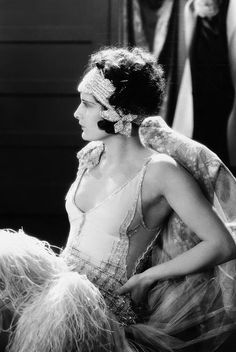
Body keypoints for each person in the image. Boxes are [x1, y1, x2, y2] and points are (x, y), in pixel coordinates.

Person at [1, 46, 236, 352]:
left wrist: (148, 277)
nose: (76, 113)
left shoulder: (160, 171)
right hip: (60, 292)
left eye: (87, 104)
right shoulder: (92, 156)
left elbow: (222, 243)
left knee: (66, 304)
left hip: (101, 313)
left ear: (120, 112)